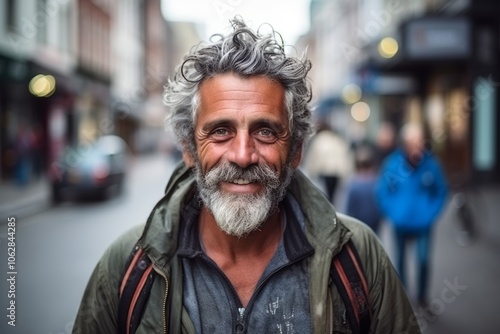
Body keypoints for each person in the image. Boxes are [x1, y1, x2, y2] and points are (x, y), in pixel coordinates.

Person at [73, 18, 420, 334]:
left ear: (296, 150)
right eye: (221, 131)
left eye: (266, 132)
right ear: (189, 150)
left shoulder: (357, 256)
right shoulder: (129, 266)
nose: (242, 155)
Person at [376, 123, 448, 306]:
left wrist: (431, 213)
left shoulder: (430, 164)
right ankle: (403, 297)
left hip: (423, 223)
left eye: (420, 140)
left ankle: (422, 297)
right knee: (400, 260)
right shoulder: (393, 163)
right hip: (400, 223)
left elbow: (441, 190)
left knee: (423, 260)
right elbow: (382, 191)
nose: (418, 145)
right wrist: (393, 213)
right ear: (405, 143)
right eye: (413, 141)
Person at [303, 122, 352, 204]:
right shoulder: (336, 139)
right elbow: (345, 155)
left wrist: (311, 169)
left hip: (324, 169)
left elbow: (314, 155)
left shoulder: (319, 139)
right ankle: (331, 205)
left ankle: (328, 205)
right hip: (337, 170)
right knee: (333, 193)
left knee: (325, 191)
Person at [344, 144, 382, 234]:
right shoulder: (377, 182)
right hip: (374, 221)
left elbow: (349, 208)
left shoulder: (354, 184)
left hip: (358, 221)